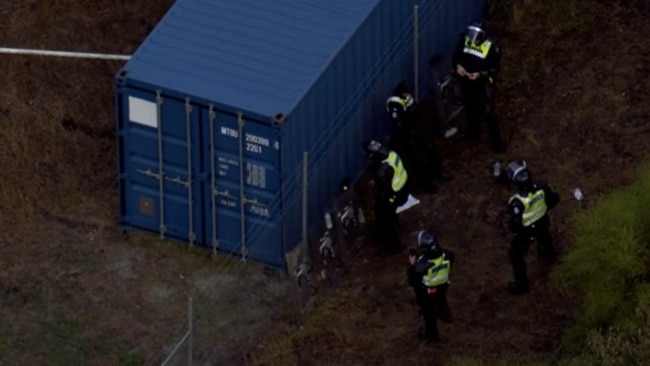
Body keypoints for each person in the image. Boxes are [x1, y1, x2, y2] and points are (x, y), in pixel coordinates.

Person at [495, 160, 560, 294]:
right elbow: (554, 199)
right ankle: (549, 256)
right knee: (545, 238)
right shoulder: (541, 187)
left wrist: (515, 231)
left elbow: (515, 223)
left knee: (516, 255)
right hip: (542, 222)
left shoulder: (517, 202)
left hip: (525, 231)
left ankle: (521, 284)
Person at [386, 81, 452, 193]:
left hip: (418, 130)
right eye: (407, 94)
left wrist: (421, 127)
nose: (409, 96)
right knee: (419, 160)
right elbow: (400, 125)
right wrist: (411, 134)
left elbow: (415, 110)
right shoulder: (395, 104)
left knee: (431, 151)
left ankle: (438, 173)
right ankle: (426, 184)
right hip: (407, 136)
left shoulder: (407, 97)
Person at [451, 21, 506, 153]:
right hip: (466, 82)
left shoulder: (490, 47)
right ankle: (473, 131)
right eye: (471, 34)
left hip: (482, 84)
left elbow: (494, 68)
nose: (472, 38)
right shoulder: (464, 41)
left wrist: (480, 74)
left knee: (488, 113)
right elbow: (455, 57)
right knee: (470, 108)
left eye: (475, 35)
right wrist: (457, 66)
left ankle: (496, 142)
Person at [364, 139, 410, 255]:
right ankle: (392, 231)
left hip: (393, 194)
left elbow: (384, 190)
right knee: (388, 216)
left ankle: (394, 246)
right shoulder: (391, 154)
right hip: (402, 187)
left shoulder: (383, 171)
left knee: (386, 219)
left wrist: (385, 199)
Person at [407, 230, 454, 341]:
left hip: (427, 293)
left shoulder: (421, 266)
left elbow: (412, 280)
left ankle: (431, 335)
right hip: (443, 287)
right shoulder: (448, 256)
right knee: (441, 300)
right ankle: (445, 314)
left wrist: (413, 265)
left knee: (429, 314)